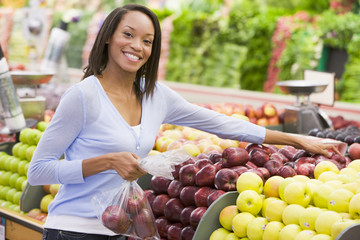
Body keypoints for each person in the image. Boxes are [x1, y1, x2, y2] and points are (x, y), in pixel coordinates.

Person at [27, 3, 340, 240]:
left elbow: (224, 124)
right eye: (128, 34)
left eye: (147, 41)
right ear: (108, 37)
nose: (137, 46)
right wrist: (107, 162)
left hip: (122, 228)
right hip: (72, 231)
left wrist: (299, 140)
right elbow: (38, 170)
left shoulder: (155, 96)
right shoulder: (83, 96)